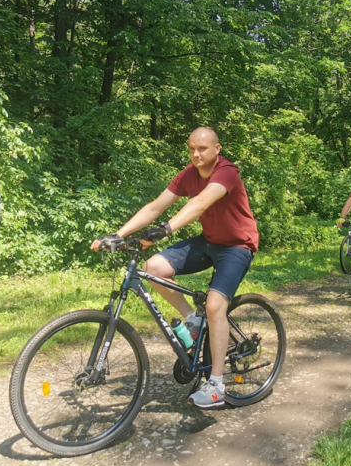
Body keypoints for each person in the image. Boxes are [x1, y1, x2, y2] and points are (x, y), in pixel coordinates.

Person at [90, 127, 259, 409]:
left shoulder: (227, 172)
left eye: (203, 149)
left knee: (216, 305)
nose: (196, 154)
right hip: (209, 241)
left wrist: (166, 230)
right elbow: (156, 206)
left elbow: (201, 202)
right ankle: (193, 319)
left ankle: (216, 384)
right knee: (154, 266)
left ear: (217, 149)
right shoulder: (188, 174)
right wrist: (119, 234)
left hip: (237, 246)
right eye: (192, 148)